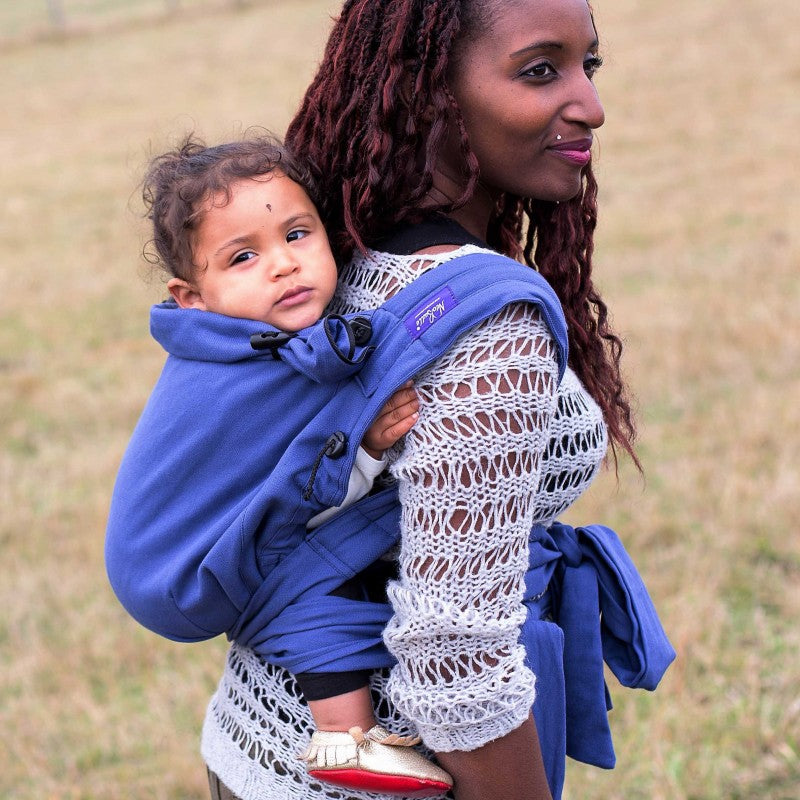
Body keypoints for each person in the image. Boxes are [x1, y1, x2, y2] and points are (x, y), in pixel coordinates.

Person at [107, 1, 674, 799]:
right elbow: (452, 666)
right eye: (541, 70)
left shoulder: (341, 244)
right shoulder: (471, 323)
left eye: (591, 64)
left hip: (249, 748)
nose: (590, 104)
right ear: (431, 92)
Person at [135, 133, 454, 795]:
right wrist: (364, 449)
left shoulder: (258, 341)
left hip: (190, 563)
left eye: (298, 234)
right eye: (244, 256)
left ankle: (350, 738)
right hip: (180, 568)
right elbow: (293, 492)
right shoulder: (244, 369)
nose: (283, 265)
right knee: (310, 598)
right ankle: (348, 742)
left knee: (317, 590)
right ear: (192, 296)